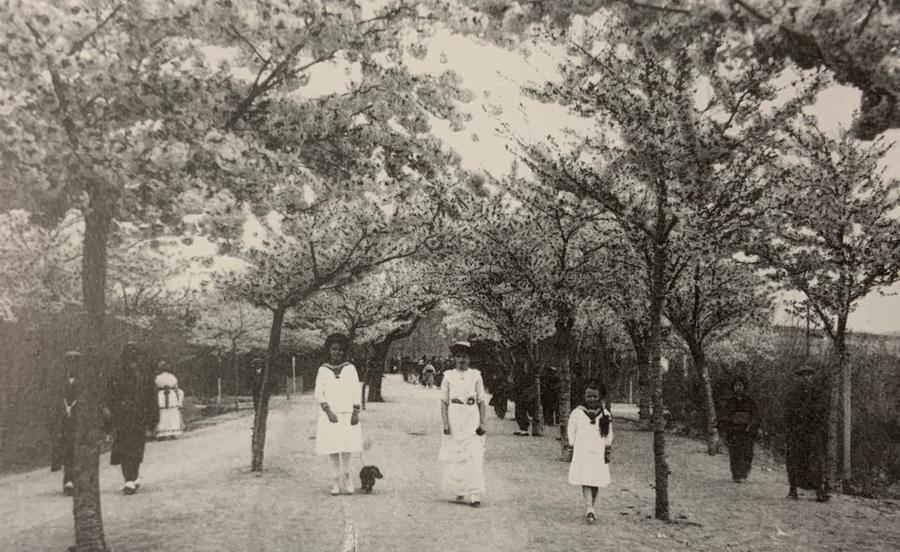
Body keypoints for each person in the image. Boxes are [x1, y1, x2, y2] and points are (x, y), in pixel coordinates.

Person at [103, 343, 159, 495]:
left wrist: (152, 420)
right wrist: (108, 410)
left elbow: (151, 397)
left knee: (137, 447)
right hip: (123, 416)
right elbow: (110, 393)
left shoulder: (144, 374)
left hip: (139, 416)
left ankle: (133, 475)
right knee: (124, 448)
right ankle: (129, 478)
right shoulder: (117, 374)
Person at [439, 341, 487, 507]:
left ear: (470, 358)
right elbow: (444, 401)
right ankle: (459, 490)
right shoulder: (448, 376)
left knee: (473, 455)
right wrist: (445, 423)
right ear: (454, 358)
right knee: (456, 456)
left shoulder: (476, 376)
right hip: (454, 416)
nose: (461, 360)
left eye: (465, 357)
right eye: (459, 356)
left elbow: (481, 401)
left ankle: (474, 493)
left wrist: (482, 422)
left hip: (471, 416)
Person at [315, 333, 363, 495]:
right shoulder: (323, 369)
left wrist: (355, 412)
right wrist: (328, 411)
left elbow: (356, 390)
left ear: (344, 351)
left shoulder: (350, 368)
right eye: (334, 349)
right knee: (333, 446)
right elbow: (318, 393)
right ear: (329, 350)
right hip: (331, 415)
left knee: (347, 446)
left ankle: (347, 476)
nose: (337, 352)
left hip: (347, 413)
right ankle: (335, 480)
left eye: (340, 350)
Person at [567, 380, 613, 524]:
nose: (592, 399)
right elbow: (571, 430)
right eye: (589, 396)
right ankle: (589, 508)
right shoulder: (577, 412)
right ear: (584, 396)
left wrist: (607, 447)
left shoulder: (604, 414)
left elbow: (609, 433)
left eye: (595, 396)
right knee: (586, 479)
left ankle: (591, 506)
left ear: (599, 397)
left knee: (595, 480)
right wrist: (572, 445)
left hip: (598, 450)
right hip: (583, 450)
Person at [784, 364, 830, 502]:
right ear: (799, 378)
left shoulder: (817, 393)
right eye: (803, 375)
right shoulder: (792, 394)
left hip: (813, 431)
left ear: (813, 377)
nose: (806, 378)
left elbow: (822, 412)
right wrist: (791, 429)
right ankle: (793, 490)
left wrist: (817, 427)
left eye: (809, 375)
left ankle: (819, 491)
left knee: (815, 460)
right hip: (796, 432)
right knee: (793, 460)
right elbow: (787, 414)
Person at [50, 351, 82, 496]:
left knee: (77, 449)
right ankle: (68, 479)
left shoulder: (84, 382)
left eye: (74, 362)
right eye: (69, 362)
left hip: (78, 420)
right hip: (64, 421)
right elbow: (53, 400)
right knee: (66, 449)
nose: (71, 365)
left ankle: (74, 479)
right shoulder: (59, 382)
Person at [720, 375, 759, 483]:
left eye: (740, 385)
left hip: (746, 430)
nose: (738, 388)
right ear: (733, 387)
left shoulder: (750, 401)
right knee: (734, 452)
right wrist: (727, 426)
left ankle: (744, 473)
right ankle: (736, 474)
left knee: (747, 452)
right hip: (734, 430)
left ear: (744, 387)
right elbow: (725, 415)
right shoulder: (729, 401)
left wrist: (751, 425)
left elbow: (755, 415)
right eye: (736, 385)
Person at [154, 368, 184, 440]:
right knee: (172, 412)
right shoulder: (172, 377)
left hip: (162, 395)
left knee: (162, 413)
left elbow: (155, 387)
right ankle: (173, 433)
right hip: (171, 395)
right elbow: (176, 387)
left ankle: (163, 433)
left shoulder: (158, 378)